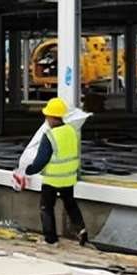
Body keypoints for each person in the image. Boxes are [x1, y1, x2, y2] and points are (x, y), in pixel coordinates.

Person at [17, 97, 87, 246]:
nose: (46, 119)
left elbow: (41, 160)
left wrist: (28, 170)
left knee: (46, 208)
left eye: (47, 116)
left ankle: (51, 239)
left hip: (52, 180)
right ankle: (81, 231)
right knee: (70, 204)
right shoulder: (72, 131)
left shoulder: (49, 136)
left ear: (52, 117)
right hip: (69, 178)